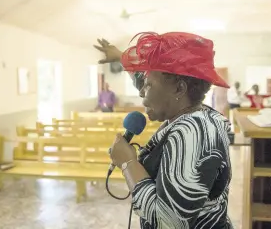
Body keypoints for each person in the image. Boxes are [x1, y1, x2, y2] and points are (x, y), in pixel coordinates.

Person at [94, 32, 233, 229]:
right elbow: (149, 83)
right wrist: (120, 56)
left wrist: (128, 163)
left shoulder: (192, 135)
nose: (142, 90)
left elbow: (170, 223)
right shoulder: (197, 115)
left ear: (179, 89)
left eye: (148, 84)